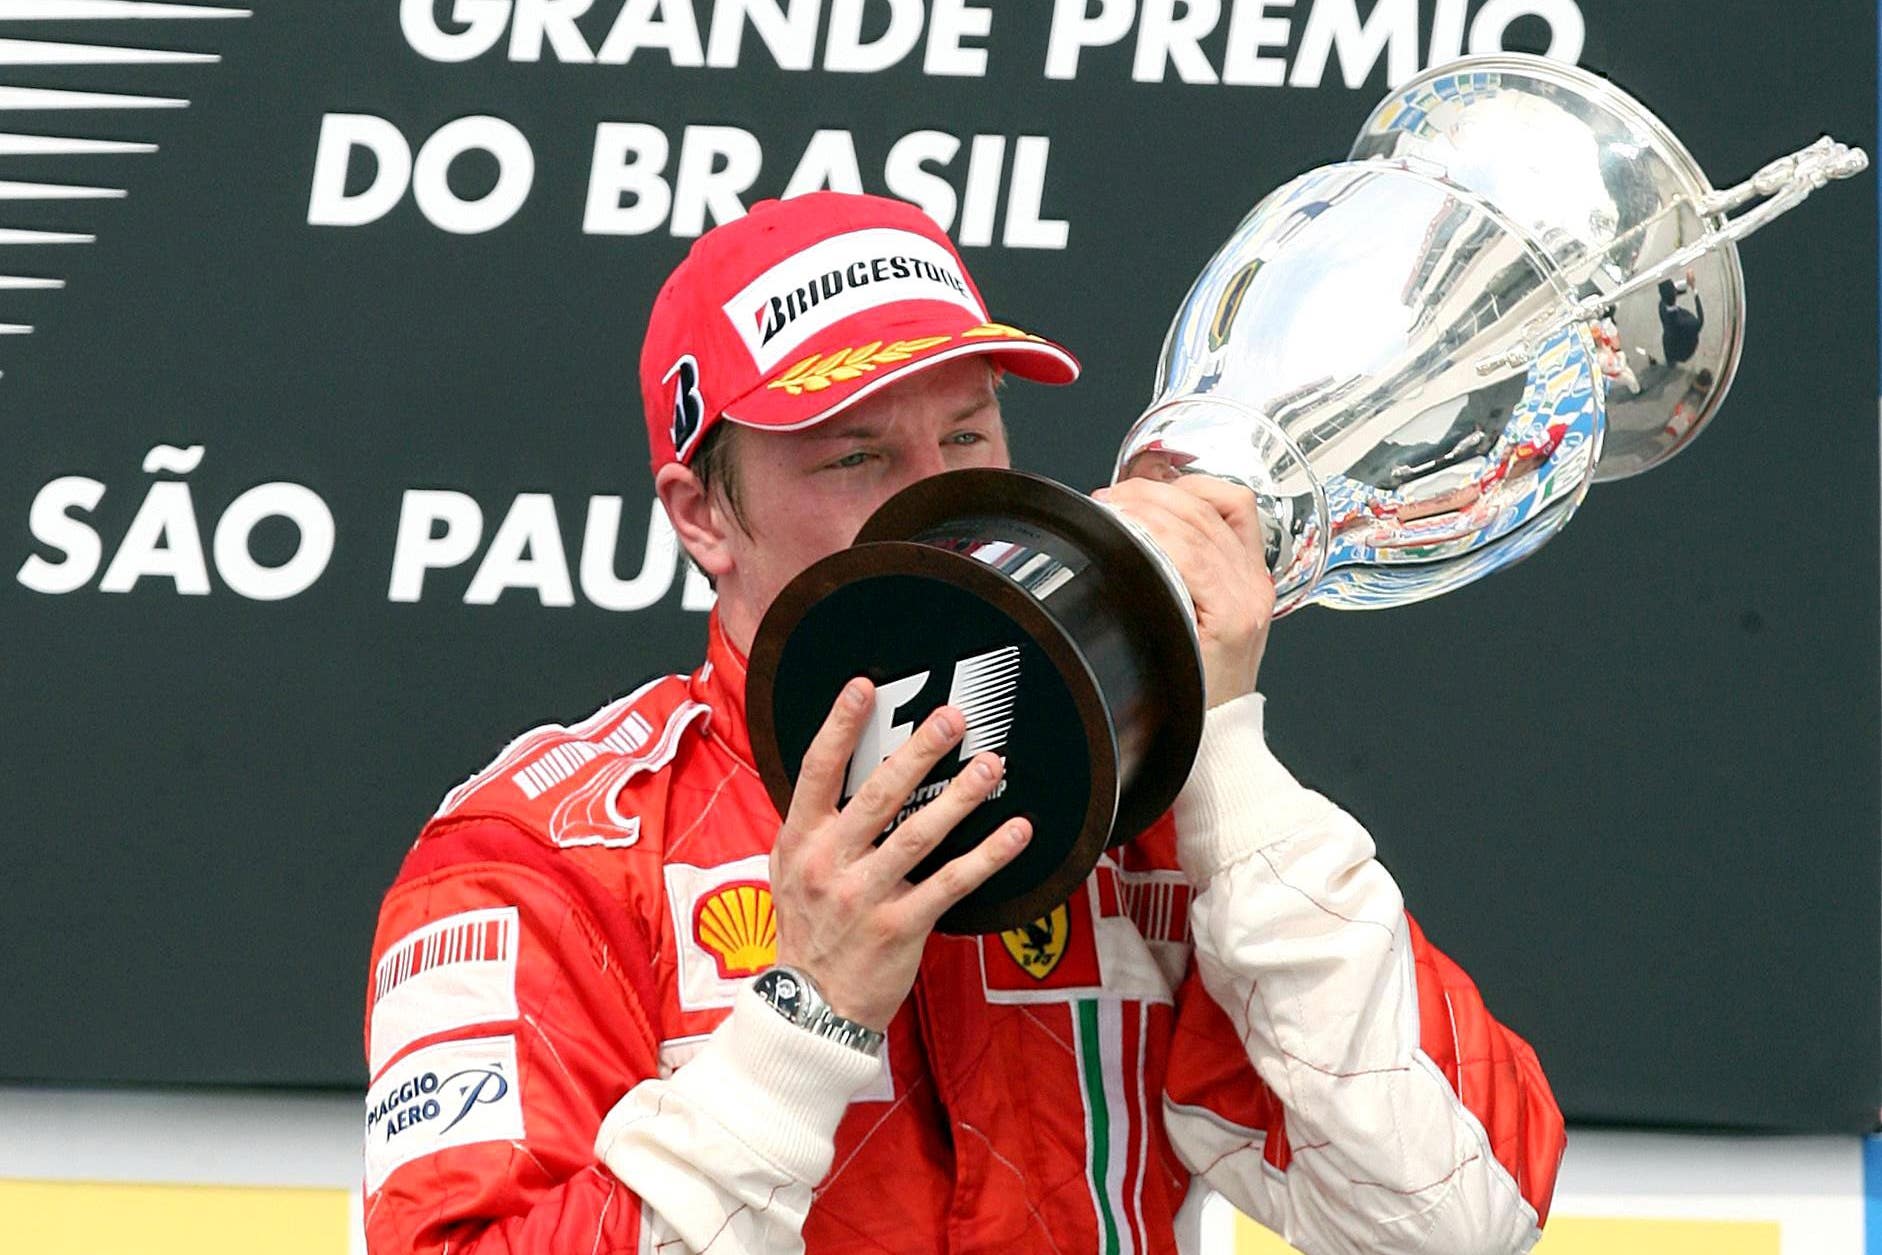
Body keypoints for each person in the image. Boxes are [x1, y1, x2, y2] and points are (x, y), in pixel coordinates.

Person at [361, 191, 1565, 1255]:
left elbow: (1453, 1216)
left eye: (968, 434)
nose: (938, 493)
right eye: (855, 456)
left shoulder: (1121, 813)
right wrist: (806, 1014)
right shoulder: (544, 854)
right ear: (703, 517)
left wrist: (1216, 746)